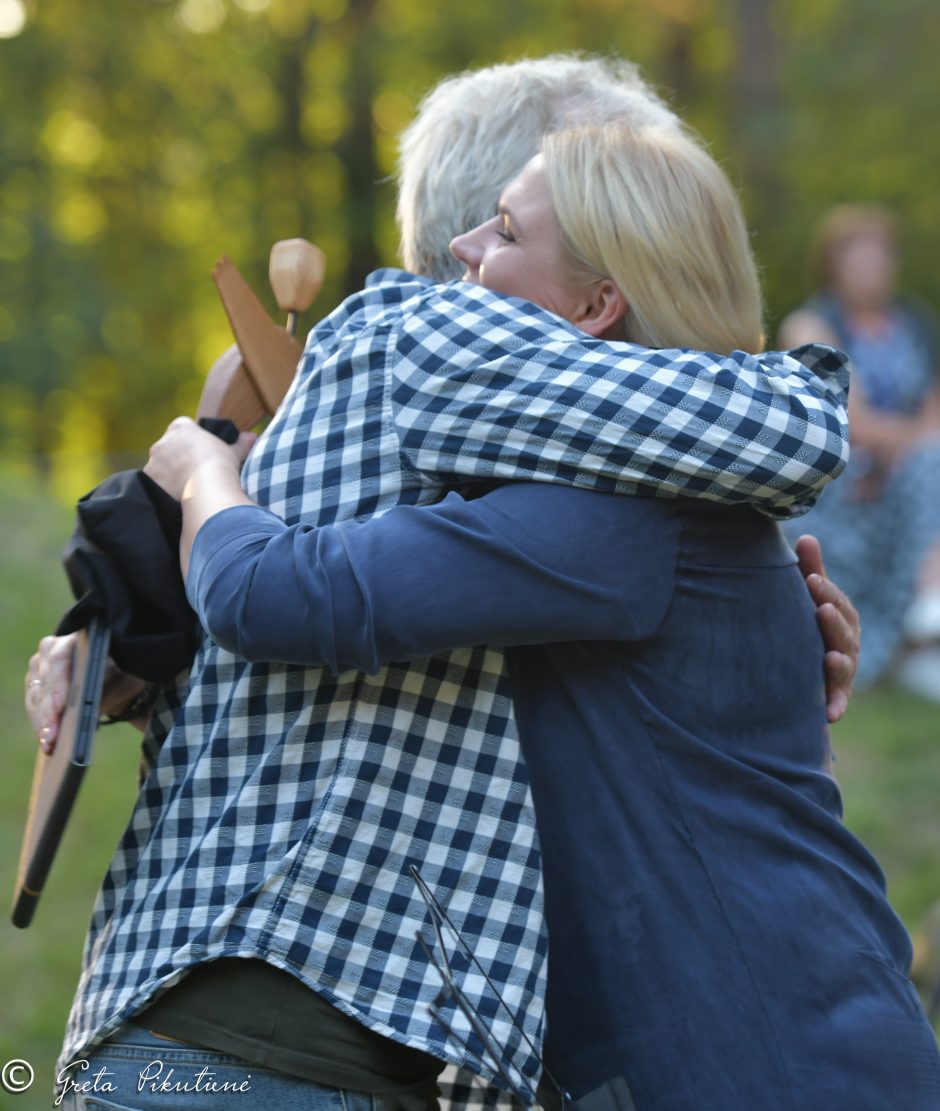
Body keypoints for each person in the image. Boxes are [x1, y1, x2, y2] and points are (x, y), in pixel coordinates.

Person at [26, 57, 860, 1109]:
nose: (471, 257)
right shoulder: (432, 356)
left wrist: (751, 636)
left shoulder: (602, 500)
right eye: (504, 219)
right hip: (270, 1040)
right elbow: (278, 597)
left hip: (231, 1026)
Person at [778, 203, 940, 697]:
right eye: (859, 256)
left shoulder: (915, 323)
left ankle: (925, 629)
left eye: (880, 256)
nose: (872, 268)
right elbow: (849, 420)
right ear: (834, 264)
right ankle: (926, 612)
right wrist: (913, 443)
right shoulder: (811, 326)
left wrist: (911, 447)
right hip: (845, 481)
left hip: (915, 469)